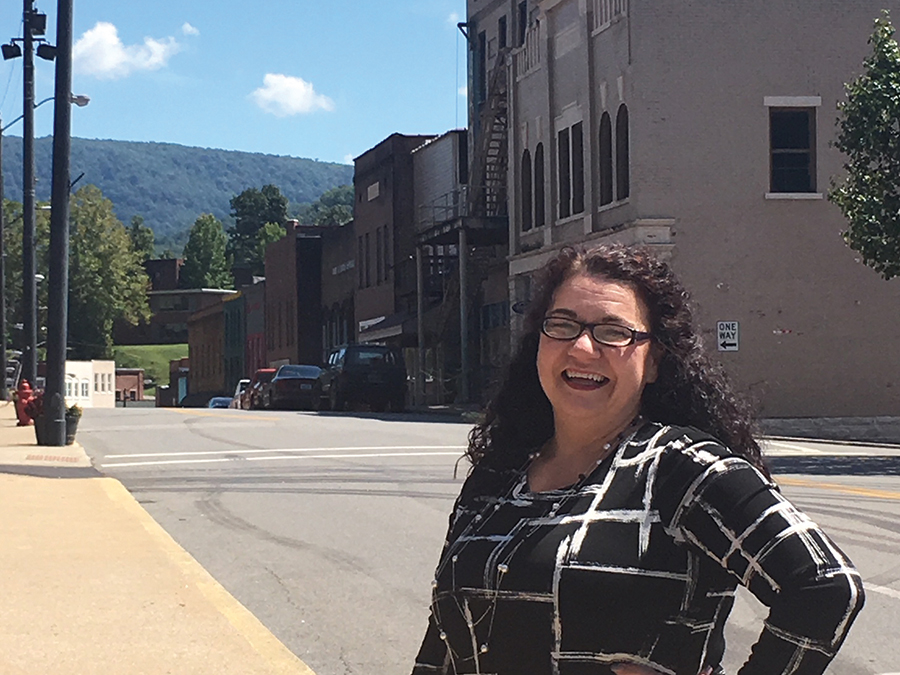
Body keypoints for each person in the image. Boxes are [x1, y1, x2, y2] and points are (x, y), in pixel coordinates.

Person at [412, 244, 863, 675]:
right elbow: (443, 640)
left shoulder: (683, 469)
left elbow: (825, 584)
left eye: (614, 332)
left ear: (653, 362)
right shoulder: (497, 477)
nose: (583, 348)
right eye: (563, 325)